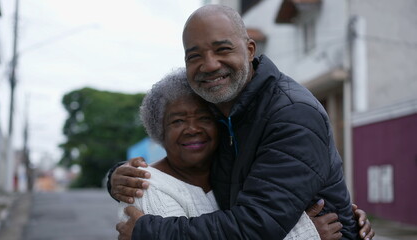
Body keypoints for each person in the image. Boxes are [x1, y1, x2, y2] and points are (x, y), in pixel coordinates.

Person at [111, 4, 375, 240]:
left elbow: (256, 226)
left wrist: (149, 231)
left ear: (250, 50)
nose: (210, 64)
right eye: (195, 56)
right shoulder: (227, 111)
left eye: (222, 49)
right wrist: (116, 177)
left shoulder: (292, 115)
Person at [118, 68, 320, 240]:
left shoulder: (234, 174)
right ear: (159, 130)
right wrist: (303, 234)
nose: (192, 129)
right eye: (178, 121)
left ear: (220, 125)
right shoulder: (144, 186)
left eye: (204, 118)